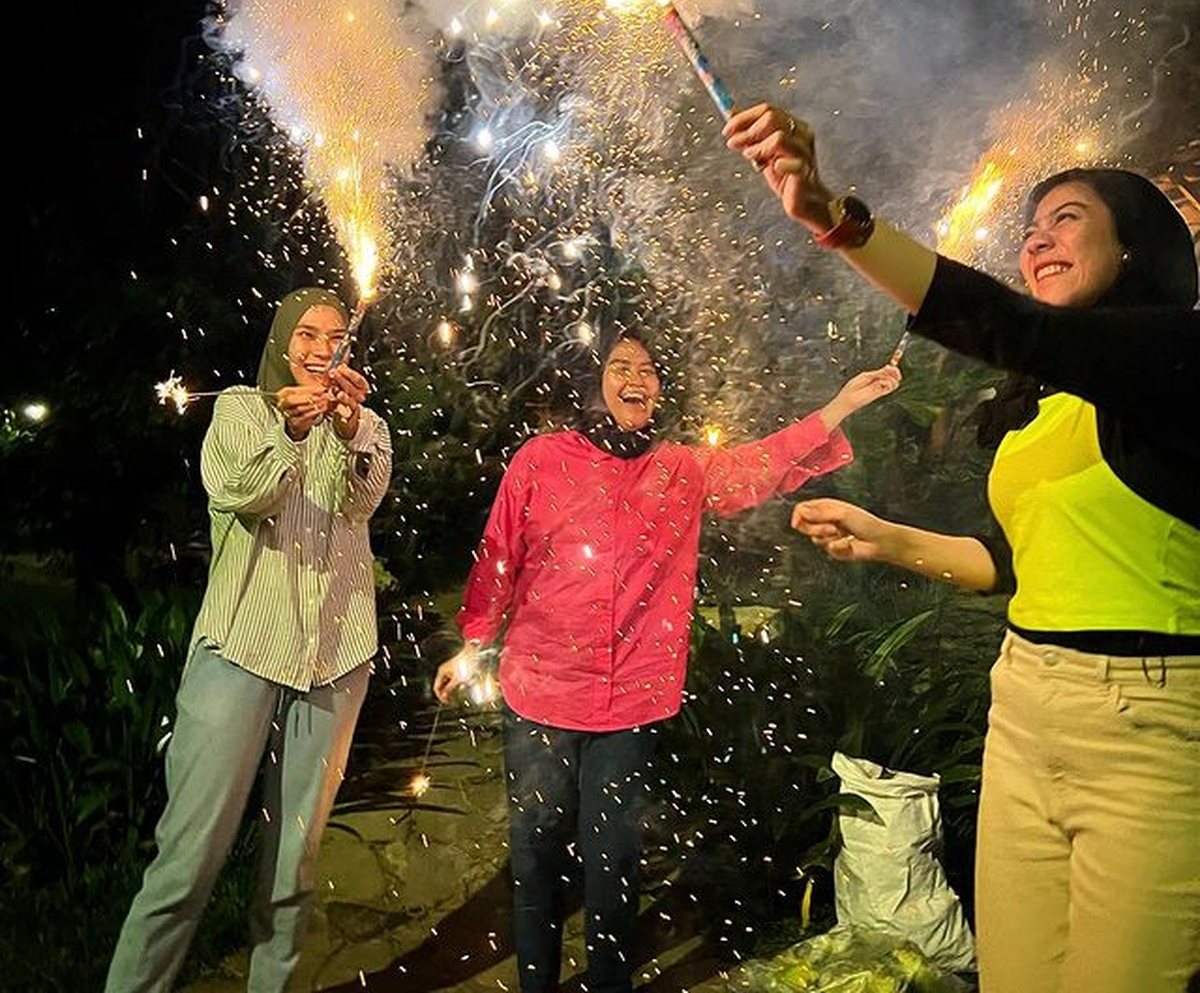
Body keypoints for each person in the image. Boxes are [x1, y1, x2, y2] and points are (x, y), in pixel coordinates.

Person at [724, 103, 1200, 993]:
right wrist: (884, 538)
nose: (1036, 240)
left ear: (1135, 246)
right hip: (1024, 710)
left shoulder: (1181, 355)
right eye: (1029, 230)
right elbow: (1018, 564)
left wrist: (838, 218)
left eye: (1069, 218)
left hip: (1155, 733)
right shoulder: (1042, 410)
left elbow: (1011, 324)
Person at [434, 328, 900, 993]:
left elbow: (759, 466)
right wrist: (475, 643)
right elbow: (500, 553)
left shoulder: (680, 469)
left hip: (628, 705)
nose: (637, 379)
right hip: (539, 694)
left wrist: (837, 409)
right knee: (535, 858)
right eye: (621, 365)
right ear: (591, 379)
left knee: (613, 862)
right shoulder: (540, 460)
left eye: (650, 369)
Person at [106, 288, 393, 992]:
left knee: (294, 864)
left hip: (335, 655)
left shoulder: (369, 425)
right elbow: (241, 491)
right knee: (188, 858)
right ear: (281, 341)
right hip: (239, 648)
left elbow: (362, 500)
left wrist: (350, 433)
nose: (321, 348)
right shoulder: (239, 408)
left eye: (334, 336)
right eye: (306, 333)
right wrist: (292, 436)